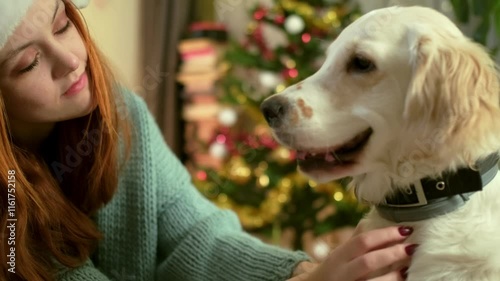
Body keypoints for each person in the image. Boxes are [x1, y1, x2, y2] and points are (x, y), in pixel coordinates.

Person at [0, 0, 415, 280]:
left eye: (62, 24)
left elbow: (192, 229)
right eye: (29, 63)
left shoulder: (121, 114)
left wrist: (299, 274)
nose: (70, 61)